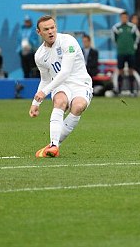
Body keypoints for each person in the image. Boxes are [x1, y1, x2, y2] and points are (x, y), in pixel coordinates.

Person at [30, 15, 93, 158]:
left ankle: (54, 145)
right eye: (46, 29)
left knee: (78, 106)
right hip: (61, 85)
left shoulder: (68, 41)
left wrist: (44, 92)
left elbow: (65, 72)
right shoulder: (39, 55)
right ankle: (53, 146)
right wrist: (36, 102)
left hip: (80, 82)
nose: (51, 31)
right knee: (60, 101)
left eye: (52, 27)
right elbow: (45, 80)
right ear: (39, 32)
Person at [112, 12, 140, 94]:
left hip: (130, 52)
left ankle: (132, 90)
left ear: (127, 18)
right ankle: (119, 90)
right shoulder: (116, 28)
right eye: (122, 17)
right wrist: (120, 46)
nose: (124, 19)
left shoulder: (132, 27)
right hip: (121, 52)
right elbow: (114, 39)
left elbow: (137, 37)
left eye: (125, 17)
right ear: (120, 18)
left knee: (131, 70)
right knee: (120, 70)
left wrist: (133, 46)